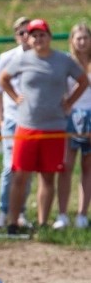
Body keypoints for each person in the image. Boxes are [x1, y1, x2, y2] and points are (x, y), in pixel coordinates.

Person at [0, 19, 89, 233]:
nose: (39, 39)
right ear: (29, 39)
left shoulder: (62, 60)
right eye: (34, 35)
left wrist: (69, 102)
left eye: (42, 35)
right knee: (20, 174)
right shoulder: (22, 59)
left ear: (49, 37)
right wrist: (15, 97)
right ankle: (12, 222)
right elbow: (3, 78)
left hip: (54, 127)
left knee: (48, 176)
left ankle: (42, 222)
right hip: (27, 126)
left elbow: (83, 81)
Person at [0, 17, 33, 229]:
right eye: (21, 32)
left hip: (33, 122)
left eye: (30, 32)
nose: (26, 36)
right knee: (10, 167)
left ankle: (21, 212)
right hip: (12, 120)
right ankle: (3, 209)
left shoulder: (39, 58)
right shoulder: (7, 58)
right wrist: (0, 119)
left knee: (27, 169)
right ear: (16, 35)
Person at [55, 23, 91, 229]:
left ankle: (82, 214)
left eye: (86, 37)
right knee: (66, 166)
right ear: (72, 41)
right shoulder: (67, 63)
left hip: (90, 118)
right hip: (70, 118)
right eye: (78, 38)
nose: (82, 41)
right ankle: (62, 214)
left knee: (87, 167)